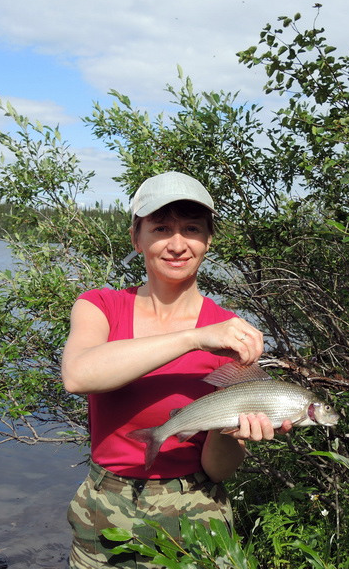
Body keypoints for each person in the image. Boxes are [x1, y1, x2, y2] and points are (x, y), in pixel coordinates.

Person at [61, 171, 291, 568]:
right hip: (104, 508)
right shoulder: (101, 306)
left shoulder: (232, 335)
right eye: (161, 228)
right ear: (136, 238)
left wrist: (230, 428)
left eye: (192, 229)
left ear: (208, 240)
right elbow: (78, 375)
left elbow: (218, 469)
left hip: (196, 510)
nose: (178, 244)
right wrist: (194, 338)